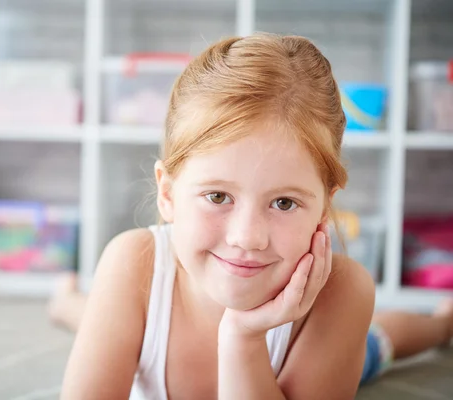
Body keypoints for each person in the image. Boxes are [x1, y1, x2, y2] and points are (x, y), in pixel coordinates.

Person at [56, 33, 453, 399]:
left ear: (323, 208)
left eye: (283, 203)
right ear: (168, 193)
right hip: (131, 305)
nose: (247, 238)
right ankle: (67, 302)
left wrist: (242, 338)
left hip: (337, 352)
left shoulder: (343, 291)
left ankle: (441, 323)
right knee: (101, 318)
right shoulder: (133, 265)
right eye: (217, 196)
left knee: (379, 342)